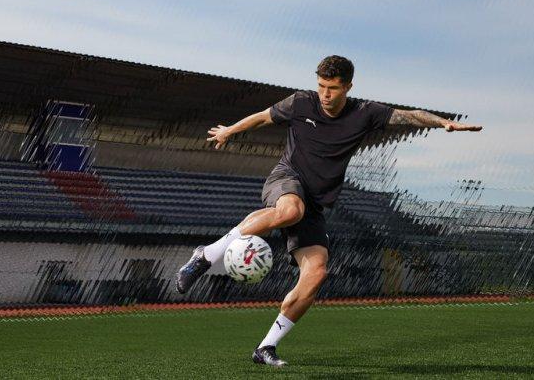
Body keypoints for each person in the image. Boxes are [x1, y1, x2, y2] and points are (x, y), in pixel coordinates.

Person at [175, 55, 482, 366]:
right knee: (290, 210)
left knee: (316, 273)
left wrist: (443, 122)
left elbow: (409, 115)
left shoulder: (365, 113)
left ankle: (265, 348)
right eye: (321, 86)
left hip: (316, 203)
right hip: (286, 179)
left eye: (333, 88)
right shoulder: (300, 103)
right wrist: (229, 131)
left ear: (348, 86)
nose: (325, 94)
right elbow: (262, 117)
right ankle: (207, 255)